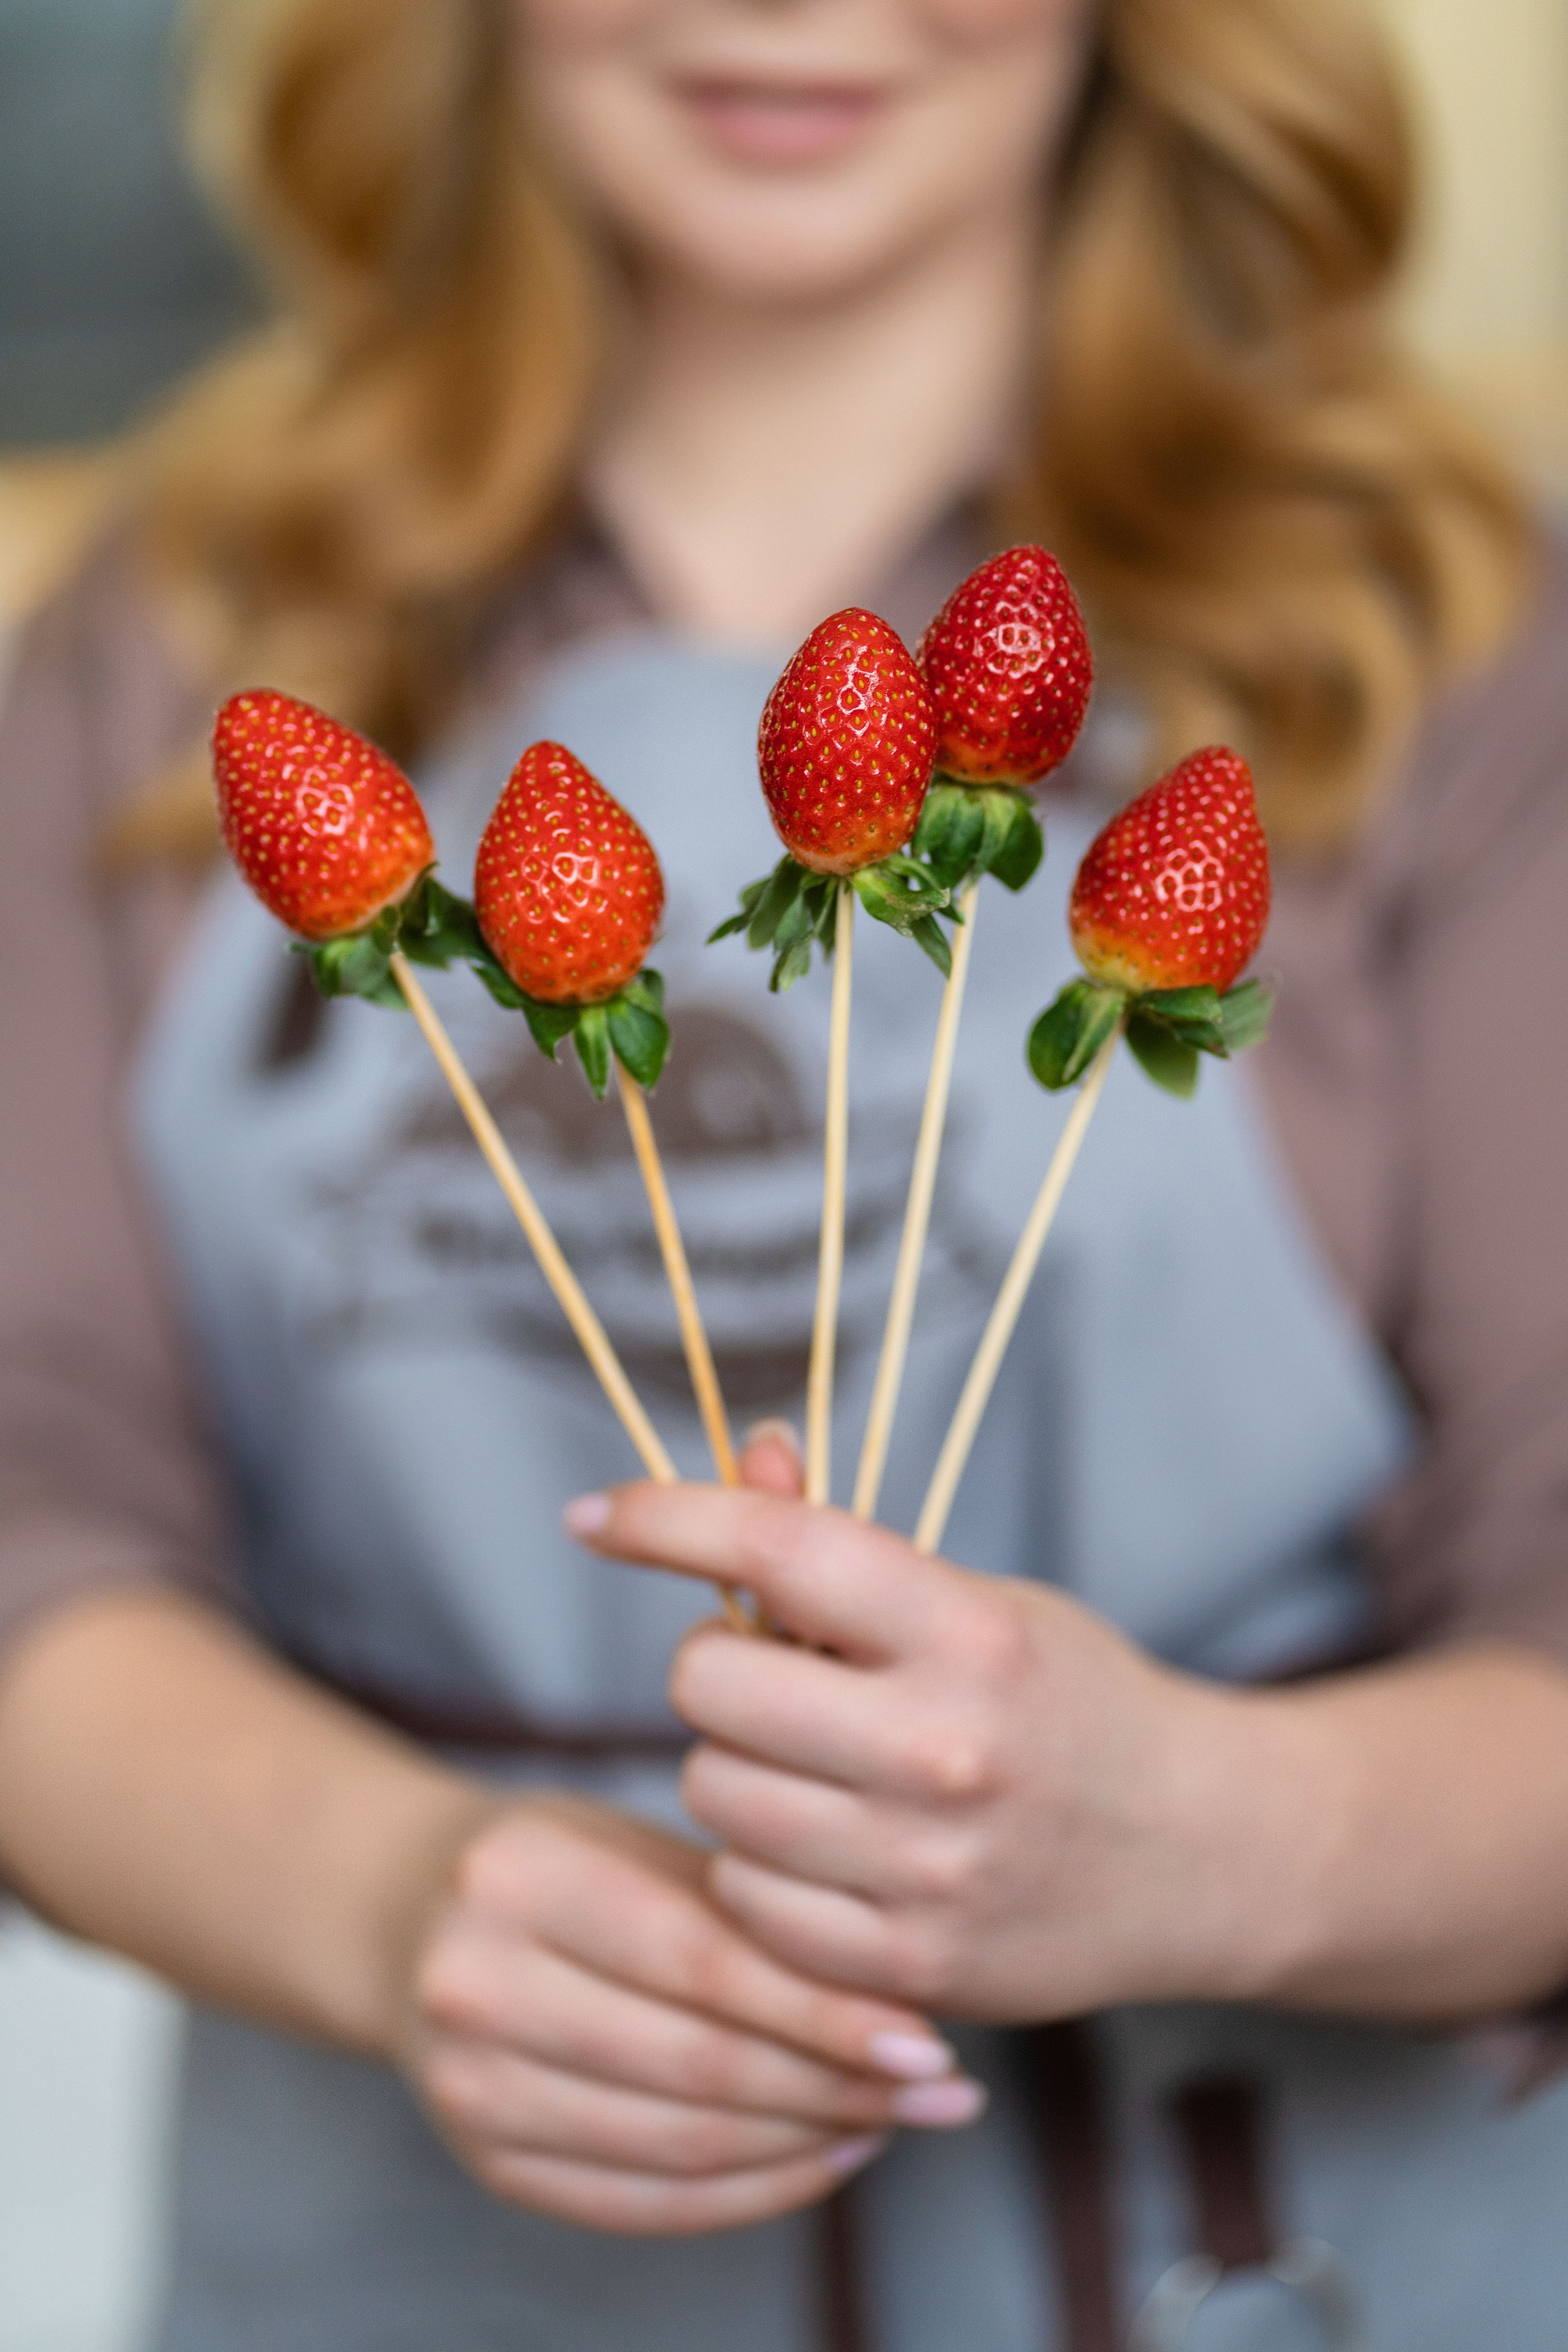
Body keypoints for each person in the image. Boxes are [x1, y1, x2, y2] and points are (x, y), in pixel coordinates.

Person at [2, 0, 1567, 2345]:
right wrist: (395, 1894)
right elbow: (32, 1514)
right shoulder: (172, 632)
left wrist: (1224, 1830)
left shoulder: (1448, 629)